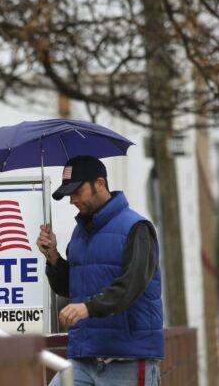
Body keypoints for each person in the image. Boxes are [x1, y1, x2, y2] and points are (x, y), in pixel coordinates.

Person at [36, 155, 164, 386]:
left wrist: (88, 307)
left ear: (100, 183)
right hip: (84, 356)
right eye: (69, 194)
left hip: (128, 358)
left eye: (77, 192)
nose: (72, 200)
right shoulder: (79, 234)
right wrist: (53, 256)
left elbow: (132, 286)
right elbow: (69, 288)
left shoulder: (137, 228)